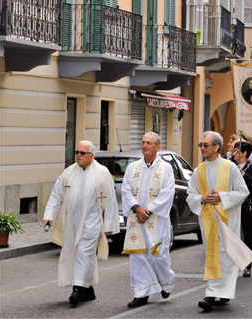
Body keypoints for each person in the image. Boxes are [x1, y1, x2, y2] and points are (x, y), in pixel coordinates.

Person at [43, 141, 119, 306]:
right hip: (71, 222)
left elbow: (111, 201)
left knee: (84, 254)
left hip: (92, 223)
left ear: (92, 155)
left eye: (82, 153)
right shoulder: (69, 172)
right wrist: (49, 215)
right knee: (75, 254)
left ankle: (77, 290)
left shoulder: (102, 173)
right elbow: (57, 195)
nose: (78, 155)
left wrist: (109, 226)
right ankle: (88, 289)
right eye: (77, 152)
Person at [187, 131, 252, 313]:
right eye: (201, 145)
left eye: (205, 145)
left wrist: (221, 197)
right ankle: (218, 292)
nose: (202, 148)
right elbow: (190, 194)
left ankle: (212, 295)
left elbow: (243, 191)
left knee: (226, 256)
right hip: (208, 221)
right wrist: (202, 198)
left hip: (226, 220)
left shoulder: (230, 167)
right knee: (212, 255)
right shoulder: (198, 170)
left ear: (217, 147)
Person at [121, 132, 176, 308]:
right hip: (136, 219)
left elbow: (168, 192)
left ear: (157, 147)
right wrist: (137, 208)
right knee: (138, 256)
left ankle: (166, 281)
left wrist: (149, 210)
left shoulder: (166, 168)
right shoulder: (133, 167)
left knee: (158, 256)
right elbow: (126, 190)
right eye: (143, 142)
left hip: (156, 220)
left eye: (149, 143)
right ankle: (141, 292)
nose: (145, 145)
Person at [233, 141, 252, 278]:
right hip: (233, 205)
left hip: (249, 206)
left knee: (248, 237)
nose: (234, 154)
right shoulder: (230, 165)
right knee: (233, 236)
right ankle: (233, 265)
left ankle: (247, 266)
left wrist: (243, 174)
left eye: (237, 151)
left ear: (244, 153)